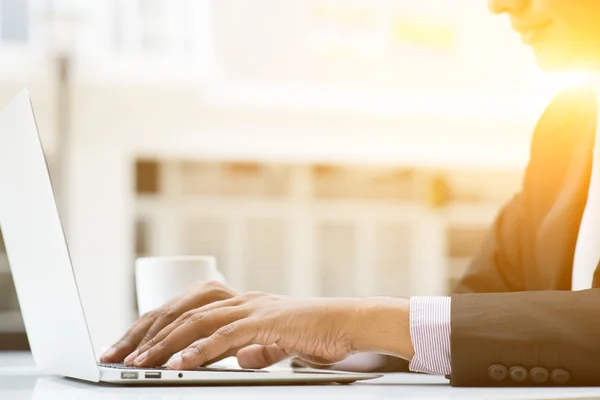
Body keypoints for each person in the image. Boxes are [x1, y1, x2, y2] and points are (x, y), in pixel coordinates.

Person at [102, 0, 600, 386]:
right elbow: (479, 313)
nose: (499, 6)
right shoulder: (568, 127)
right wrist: (305, 330)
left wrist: (353, 319)